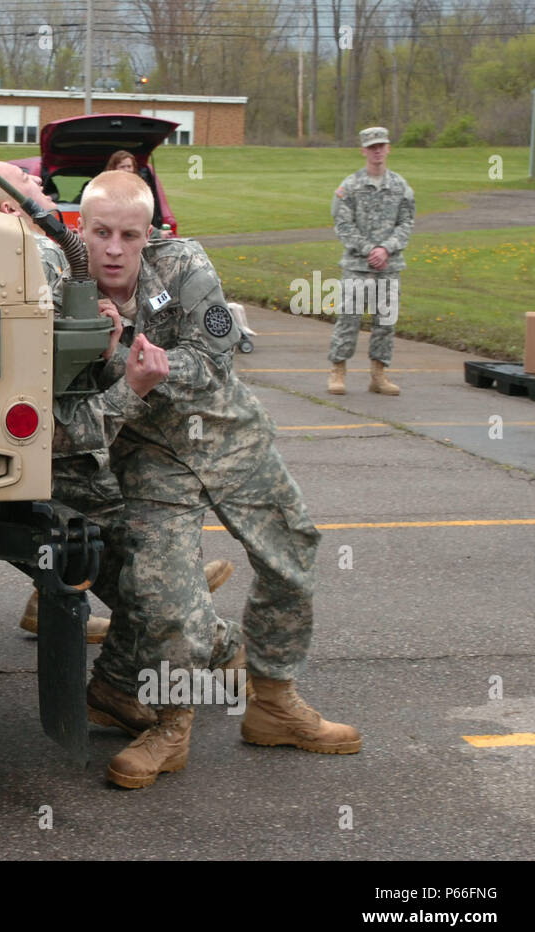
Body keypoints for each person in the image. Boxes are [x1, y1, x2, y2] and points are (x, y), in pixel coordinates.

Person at [66, 170, 359, 788]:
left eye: (129, 235)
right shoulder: (62, 290)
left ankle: (274, 702)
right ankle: (171, 726)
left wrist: (119, 357)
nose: (114, 249)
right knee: (163, 592)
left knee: (291, 553)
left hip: (228, 436)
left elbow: (211, 365)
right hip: (151, 460)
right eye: (101, 233)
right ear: (80, 229)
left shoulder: (185, 268)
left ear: (150, 235)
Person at [0, 161, 236, 704]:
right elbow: (61, 429)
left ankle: (155, 646)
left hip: (49, 457)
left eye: (129, 235)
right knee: (154, 581)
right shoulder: (43, 262)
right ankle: (215, 645)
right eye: (36, 188)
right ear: (14, 209)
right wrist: (129, 378)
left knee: (153, 570)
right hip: (63, 464)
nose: (45, 192)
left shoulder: (1, 259)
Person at [329, 126, 415, 396]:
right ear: (363, 150)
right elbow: (343, 225)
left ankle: (378, 375)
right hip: (357, 265)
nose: (377, 151)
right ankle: (338, 371)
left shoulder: (400, 187)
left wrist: (386, 249)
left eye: (382, 146)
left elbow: (406, 223)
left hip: (388, 266)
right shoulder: (350, 186)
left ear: (388, 148)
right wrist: (369, 250)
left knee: (385, 322)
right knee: (349, 319)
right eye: (372, 146)